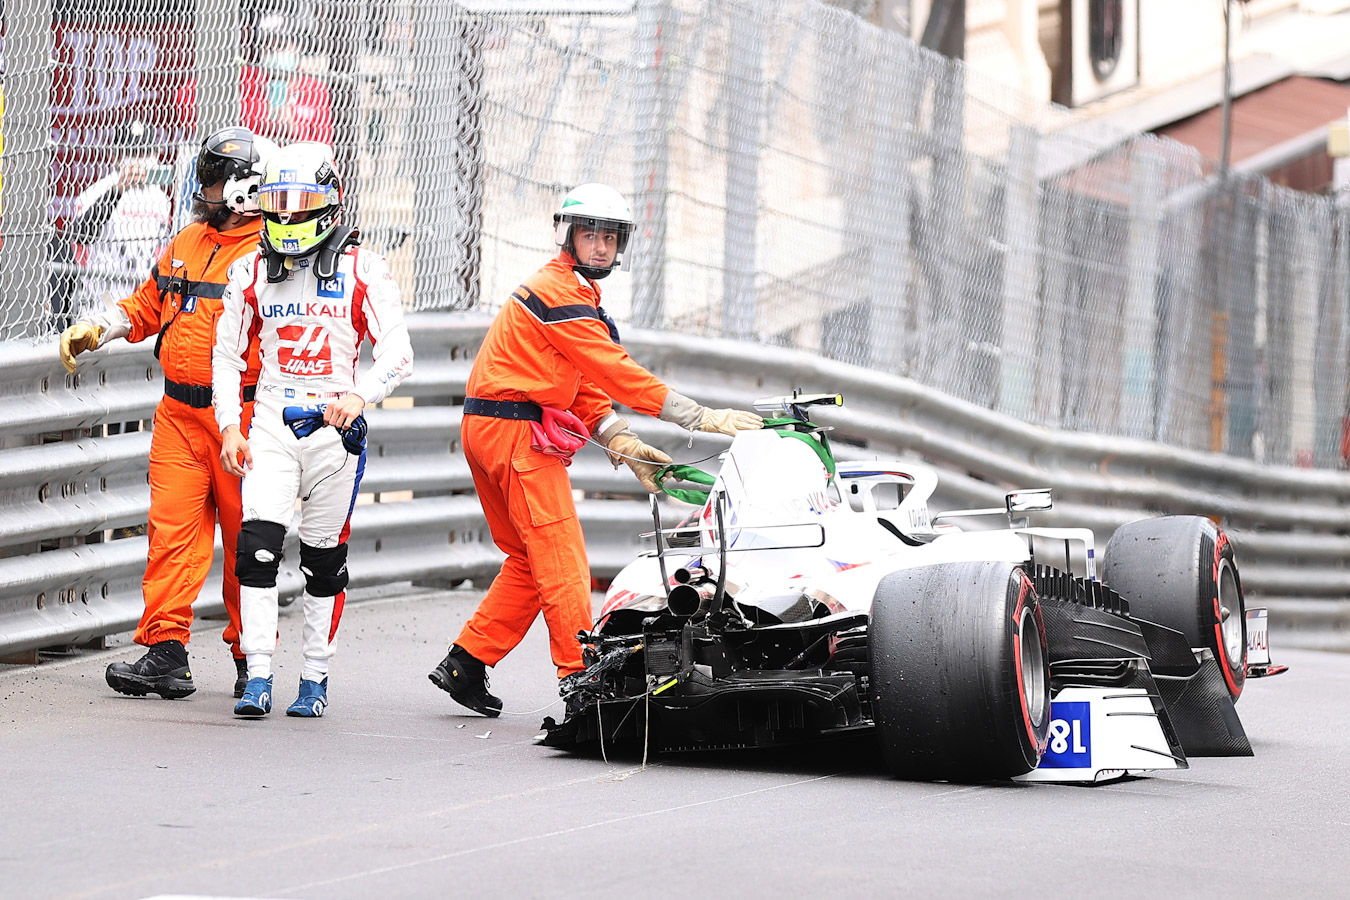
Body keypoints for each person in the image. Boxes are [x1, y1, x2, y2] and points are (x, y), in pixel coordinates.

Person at [427, 182, 763, 718]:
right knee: (563, 563)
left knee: (527, 559)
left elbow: (582, 383)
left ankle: (468, 660)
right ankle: (582, 682)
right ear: (568, 237)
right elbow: (615, 372)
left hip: (493, 432)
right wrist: (700, 417)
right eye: (591, 235)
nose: (601, 247)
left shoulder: (571, 296)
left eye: (610, 237)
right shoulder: (560, 292)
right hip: (517, 438)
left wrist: (620, 440)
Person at [59, 126, 277, 701]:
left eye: (210, 181)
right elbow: (147, 306)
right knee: (171, 534)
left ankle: (250, 656)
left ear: (242, 191)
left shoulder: (270, 255)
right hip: (179, 414)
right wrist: (99, 327)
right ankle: (165, 652)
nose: (199, 190)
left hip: (243, 419)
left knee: (244, 540)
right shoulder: (187, 240)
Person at [214, 141, 413, 719]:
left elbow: (398, 353)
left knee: (324, 561)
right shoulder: (249, 268)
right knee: (255, 551)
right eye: (278, 203)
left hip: (333, 432)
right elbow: (226, 355)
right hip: (272, 423)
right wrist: (231, 425)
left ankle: (315, 675)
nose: (289, 217)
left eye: (302, 204)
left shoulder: (363, 267)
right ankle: (257, 674)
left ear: (329, 201)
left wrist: (361, 394)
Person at [63, 120, 173, 323]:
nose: (138, 162)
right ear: (115, 157)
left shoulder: (160, 199)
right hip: (101, 303)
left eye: (144, 154)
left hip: (143, 307)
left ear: (156, 155)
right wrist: (118, 191)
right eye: (130, 153)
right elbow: (81, 235)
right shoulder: (97, 191)